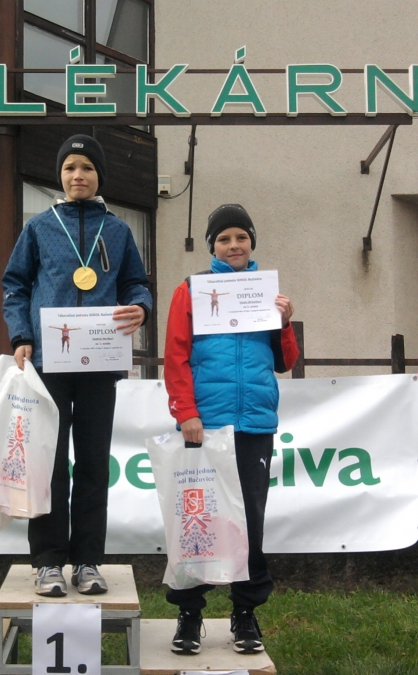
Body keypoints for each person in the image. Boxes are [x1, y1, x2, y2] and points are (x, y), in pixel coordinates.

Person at [2, 134, 152, 597]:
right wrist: (22, 336)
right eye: (69, 168)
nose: (78, 176)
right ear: (60, 176)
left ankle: (88, 560)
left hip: (100, 365)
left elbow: (136, 284)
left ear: (99, 175)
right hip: (49, 364)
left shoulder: (118, 230)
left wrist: (141, 308)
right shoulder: (39, 227)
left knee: (92, 465)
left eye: (86, 168)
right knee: (47, 464)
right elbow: (15, 286)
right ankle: (48, 562)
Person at [163, 204, 298, 656]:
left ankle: (245, 612)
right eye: (224, 239)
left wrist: (285, 322)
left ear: (252, 242)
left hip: (254, 423)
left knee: (249, 521)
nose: (233, 245)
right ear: (212, 246)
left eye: (241, 237)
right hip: (205, 425)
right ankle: (189, 613)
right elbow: (176, 355)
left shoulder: (268, 294)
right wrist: (187, 413)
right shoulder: (191, 290)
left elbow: (285, 361)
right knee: (197, 520)